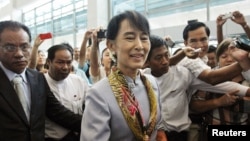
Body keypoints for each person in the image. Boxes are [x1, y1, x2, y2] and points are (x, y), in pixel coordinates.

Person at [143, 34, 250, 141]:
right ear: (146, 61)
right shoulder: (140, 79)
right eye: (158, 58)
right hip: (152, 135)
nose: (165, 61)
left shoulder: (182, 74)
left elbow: (216, 84)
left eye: (166, 55)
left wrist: (246, 90)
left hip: (179, 134)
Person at [80, 10, 166, 141]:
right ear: (111, 45)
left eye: (144, 38)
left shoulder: (152, 82)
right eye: (130, 38)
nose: (139, 45)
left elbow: (157, 128)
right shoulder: (99, 94)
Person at [0, 20, 82, 141]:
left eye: (24, 47)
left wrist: (97, 124)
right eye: (10, 47)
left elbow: (57, 112)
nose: (19, 54)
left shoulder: (37, 78)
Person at [189, 38, 250, 141]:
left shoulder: (248, 78)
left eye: (233, 56)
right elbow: (194, 106)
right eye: (224, 56)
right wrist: (219, 102)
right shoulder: (208, 78)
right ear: (218, 60)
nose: (229, 60)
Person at [44, 43, 89, 141]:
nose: (65, 67)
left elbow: (90, 107)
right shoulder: (40, 83)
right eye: (60, 62)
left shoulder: (78, 81)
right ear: (49, 62)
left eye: (69, 62)